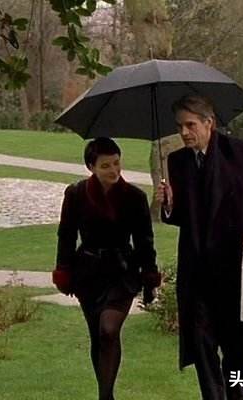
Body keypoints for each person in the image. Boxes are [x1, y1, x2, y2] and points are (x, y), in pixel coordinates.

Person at [155, 95, 243, 400]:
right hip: (197, 274)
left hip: (236, 269)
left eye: (190, 125)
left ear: (209, 123)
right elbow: (184, 217)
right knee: (201, 344)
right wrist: (168, 205)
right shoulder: (177, 162)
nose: (184, 132)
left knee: (236, 349)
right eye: (179, 126)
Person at [52, 137, 162, 400]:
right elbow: (66, 235)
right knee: (97, 335)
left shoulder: (135, 197)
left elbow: (145, 241)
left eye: (116, 163)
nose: (114, 170)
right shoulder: (76, 194)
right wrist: (63, 271)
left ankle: (105, 397)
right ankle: (107, 394)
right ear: (91, 167)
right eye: (105, 166)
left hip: (122, 273)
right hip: (88, 273)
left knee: (109, 330)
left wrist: (149, 277)